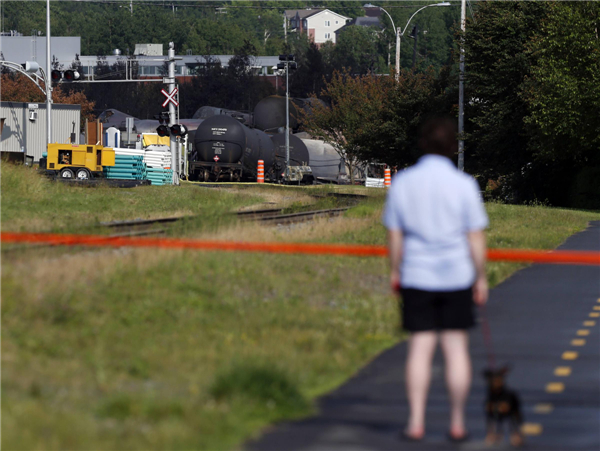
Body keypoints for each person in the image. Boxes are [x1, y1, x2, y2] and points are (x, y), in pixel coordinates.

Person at [382, 116, 489, 442]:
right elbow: (475, 237)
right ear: (452, 146)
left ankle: (416, 422)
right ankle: (457, 423)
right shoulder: (464, 184)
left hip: (417, 275)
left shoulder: (404, 183)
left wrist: (396, 270)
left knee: (420, 349)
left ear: (423, 144)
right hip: (456, 276)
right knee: (456, 350)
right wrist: (480, 277)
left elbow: (395, 236)